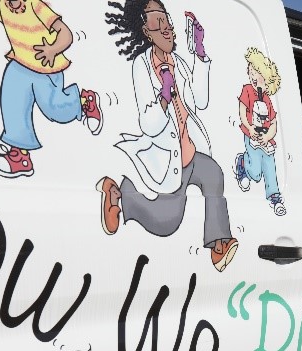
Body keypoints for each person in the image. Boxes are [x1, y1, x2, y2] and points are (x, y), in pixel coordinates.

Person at [97, 1, 238, 272]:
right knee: (166, 221)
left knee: (214, 176)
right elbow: (149, 124)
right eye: (157, 21)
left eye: (167, 20)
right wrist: (163, 95)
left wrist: (199, 52)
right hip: (166, 154)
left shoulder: (179, 62)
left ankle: (218, 243)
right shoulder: (142, 65)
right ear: (145, 30)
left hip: (191, 148)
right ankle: (120, 194)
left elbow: (200, 99)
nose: (167, 28)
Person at [0, 0, 103, 178]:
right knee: (12, 100)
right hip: (20, 65)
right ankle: (19, 153)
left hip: (45, 68)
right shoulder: (0, 5)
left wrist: (53, 50)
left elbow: (66, 34)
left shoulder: (35, 5)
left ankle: (83, 102)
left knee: (55, 109)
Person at [234, 47, 285, 216]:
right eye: (251, 72)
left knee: (270, 166)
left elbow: (273, 122)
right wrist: (249, 128)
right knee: (255, 173)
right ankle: (242, 163)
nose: (253, 76)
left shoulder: (268, 100)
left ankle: (275, 196)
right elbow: (242, 111)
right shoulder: (247, 90)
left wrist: (268, 136)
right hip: (251, 135)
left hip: (265, 140)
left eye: (256, 72)